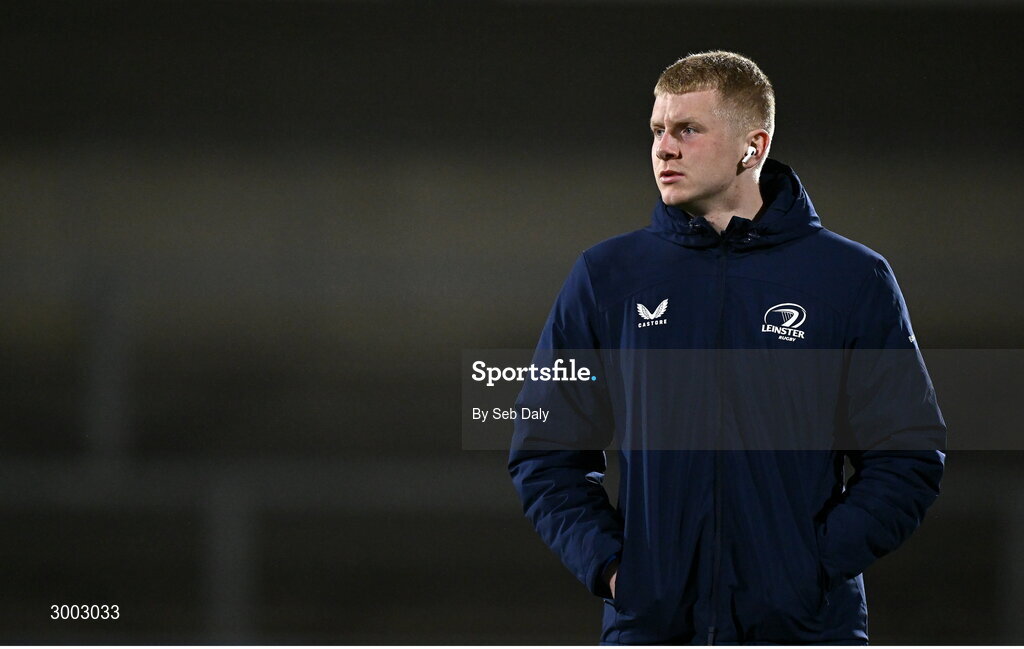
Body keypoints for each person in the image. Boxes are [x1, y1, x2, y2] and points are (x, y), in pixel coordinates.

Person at [507, 50, 945, 645]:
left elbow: (907, 452)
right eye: (659, 130)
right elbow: (545, 448)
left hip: (803, 631)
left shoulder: (851, 279)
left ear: (753, 147)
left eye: (688, 129)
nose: (665, 147)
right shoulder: (607, 277)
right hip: (653, 631)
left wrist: (809, 567)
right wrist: (617, 571)